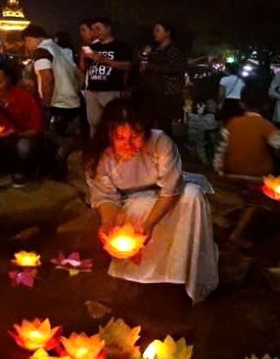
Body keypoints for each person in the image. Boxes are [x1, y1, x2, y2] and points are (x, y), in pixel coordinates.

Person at [84, 98, 219, 302]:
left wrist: (149, 224)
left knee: (193, 196)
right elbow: (105, 197)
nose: (128, 144)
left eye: (135, 135)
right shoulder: (100, 157)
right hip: (129, 201)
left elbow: (171, 189)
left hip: (168, 195)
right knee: (130, 216)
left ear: (146, 131)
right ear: (109, 134)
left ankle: (182, 274)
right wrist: (107, 224)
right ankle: (138, 278)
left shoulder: (160, 142)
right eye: (120, 137)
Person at [213, 88, 280, 246]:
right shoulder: (267, 126)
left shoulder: (232, 124)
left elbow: (221, 148)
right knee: (255, 203)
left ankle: (230, 221)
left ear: (242, 103)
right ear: (266, 105)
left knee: (245, 198)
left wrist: (219, 169)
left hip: (231, 173)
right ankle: (236, 235)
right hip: (256, 176)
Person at [23, 24, 83, 143]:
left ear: (29, 39)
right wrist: (74, 91)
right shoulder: (59, 50)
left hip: (56, 104)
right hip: (72, 102)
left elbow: (47, 78)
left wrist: (46, 104)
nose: (27, 46)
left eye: (26, 42)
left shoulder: (41, 51)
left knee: (51, 141)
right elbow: (80, 75)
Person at [80, 16, 133, 132]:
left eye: (98, 28)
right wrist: (83, 57)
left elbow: (127, 65)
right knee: (93, 122)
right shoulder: (93, 47)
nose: (95, 32)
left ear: (108, 28)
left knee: (114, 122)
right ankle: (96, 147)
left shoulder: (120, 46)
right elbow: (84, 69)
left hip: (111, 89)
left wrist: (105, 60)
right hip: (92, 90)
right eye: (93, 29)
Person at [140, 20, 188, 129]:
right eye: (154, 30)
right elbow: (142, 68)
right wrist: (145, 56)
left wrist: (150, 66)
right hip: (152, 93)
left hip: (168, 94)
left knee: (165, 126)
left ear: (167, 33)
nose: (154, 33)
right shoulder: (154, 51)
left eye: (158, 30)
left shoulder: (173, 51)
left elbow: (175, 68)